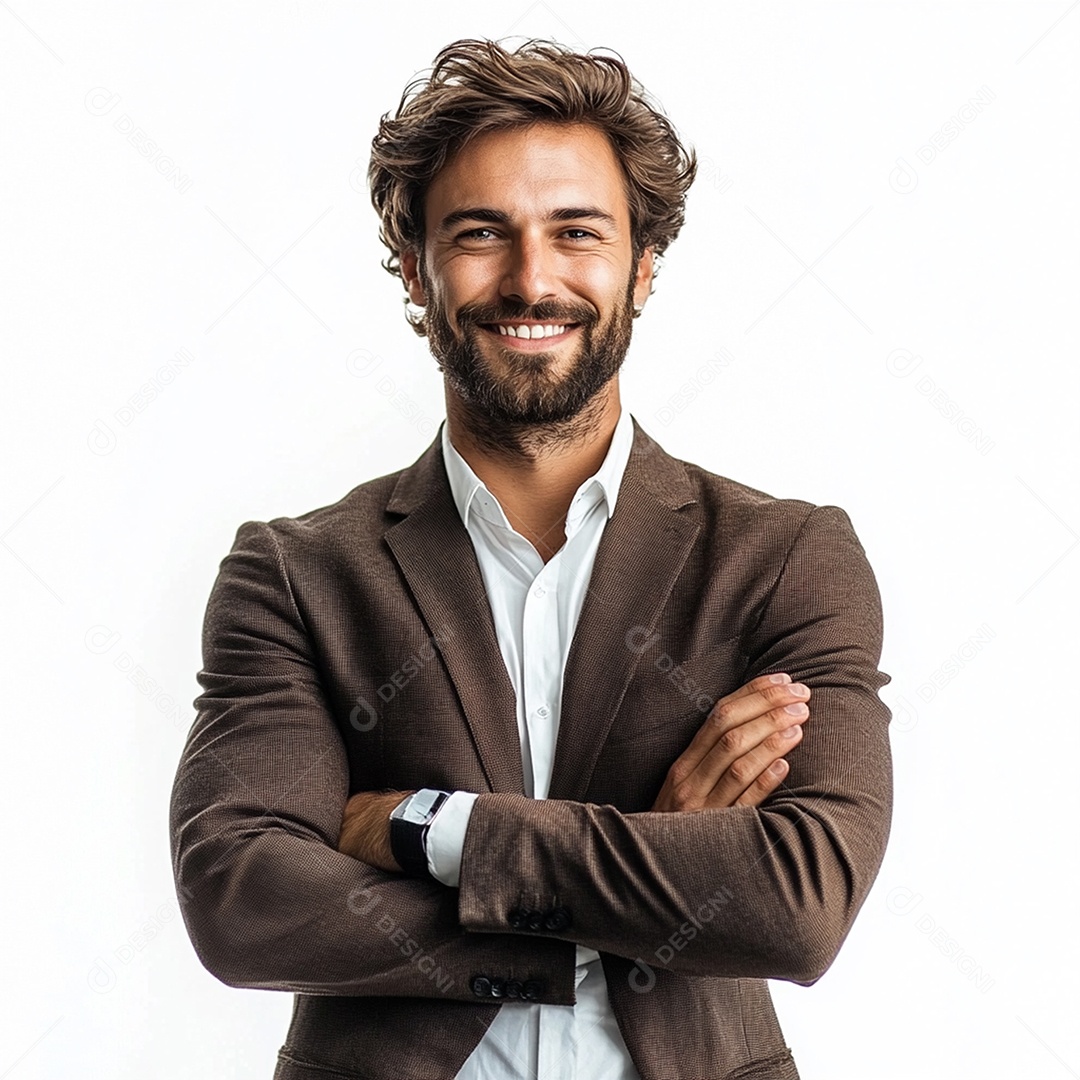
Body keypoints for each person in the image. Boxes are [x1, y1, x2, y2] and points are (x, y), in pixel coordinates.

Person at [169, 38, 892, 1080]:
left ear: (642, 268)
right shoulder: (295, 575)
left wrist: (431, 829)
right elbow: (245, 904)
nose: (531, 279)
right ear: (415, 272)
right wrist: (651, 866)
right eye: (479, 234)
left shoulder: (785, 559)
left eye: (577, 233)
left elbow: (798, 902)